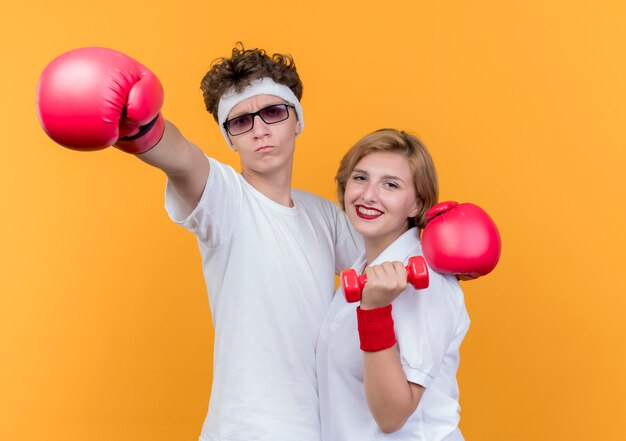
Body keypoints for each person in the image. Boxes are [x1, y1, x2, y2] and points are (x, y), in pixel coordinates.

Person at [36, 44, 362, 441]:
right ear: (229, 139)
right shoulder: (228, 200)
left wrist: (432, 235)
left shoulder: (324, 216)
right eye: (241, 121)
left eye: (274, 113)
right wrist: (143, 129)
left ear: (297, 120)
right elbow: (184, 160)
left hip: (321, 428)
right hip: (247, 430)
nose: (260, 130)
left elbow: (384, 255)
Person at [316, 129, 470, 440]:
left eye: (390, 185)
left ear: (417, 205)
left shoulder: (428, 281)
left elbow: (392, 416)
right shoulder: (362, 267)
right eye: (360, 178)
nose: (368, 195)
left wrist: (374, 311)